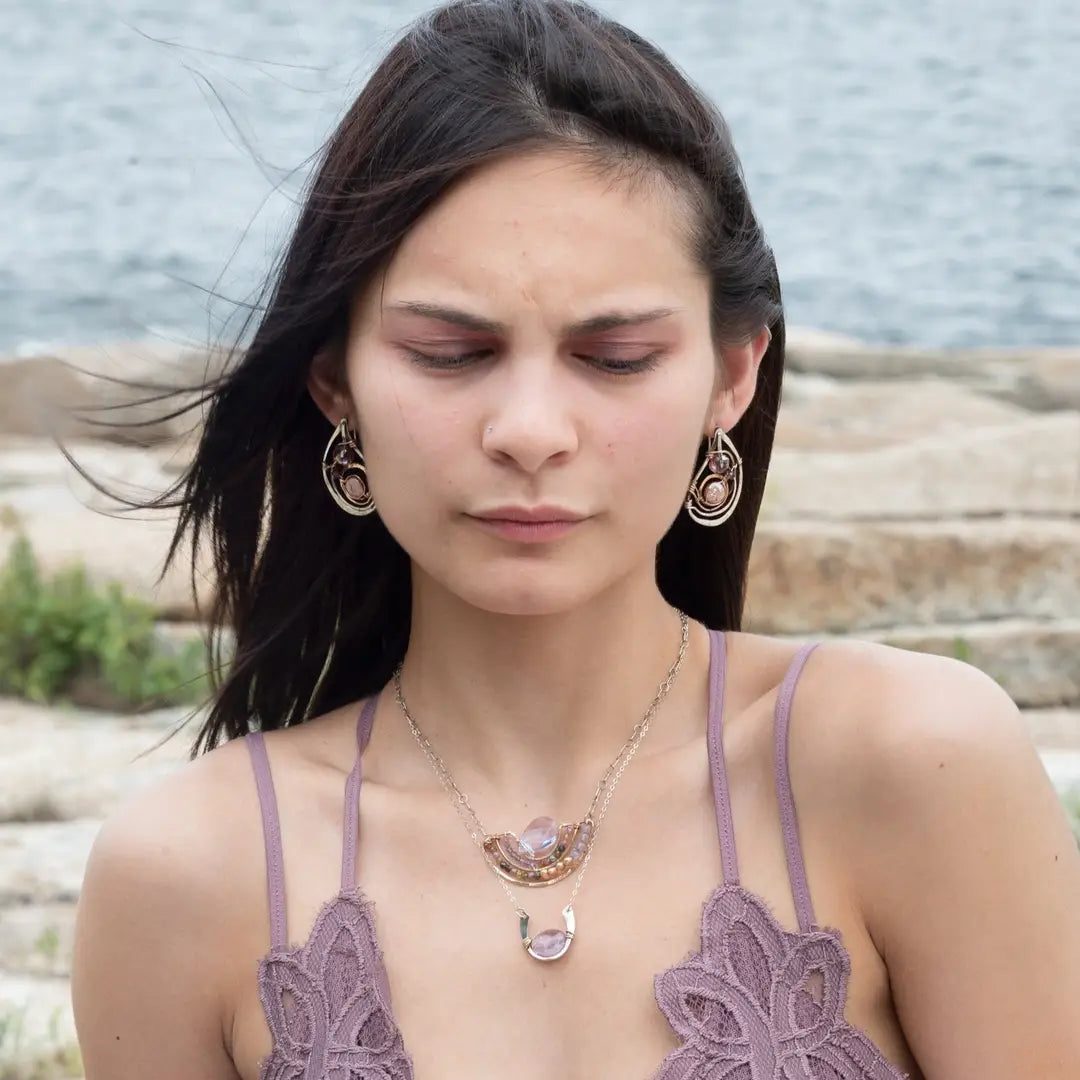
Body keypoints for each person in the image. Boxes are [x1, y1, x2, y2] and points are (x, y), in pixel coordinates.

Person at [69, 1, 1080, 1077]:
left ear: (732, 374)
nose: (530, 433)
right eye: (452, 352)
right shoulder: (186, 875)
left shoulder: (913, 762)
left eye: (617, 356)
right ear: (335, 379)